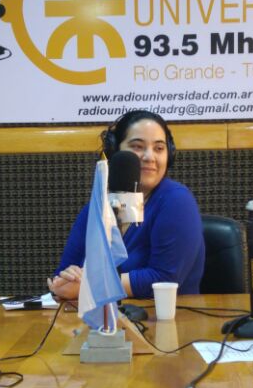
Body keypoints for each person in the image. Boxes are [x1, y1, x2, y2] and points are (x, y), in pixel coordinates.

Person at [50, 110, 205, 301]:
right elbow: (62, 275)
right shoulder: (97, 207)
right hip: (100, 323)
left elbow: (164, 279)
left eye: (159, 148)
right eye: (137, 146)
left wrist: (92, 285)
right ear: (115, 151)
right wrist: (67, 280)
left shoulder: (177, 201)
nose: (149, 156)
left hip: (168, 322)